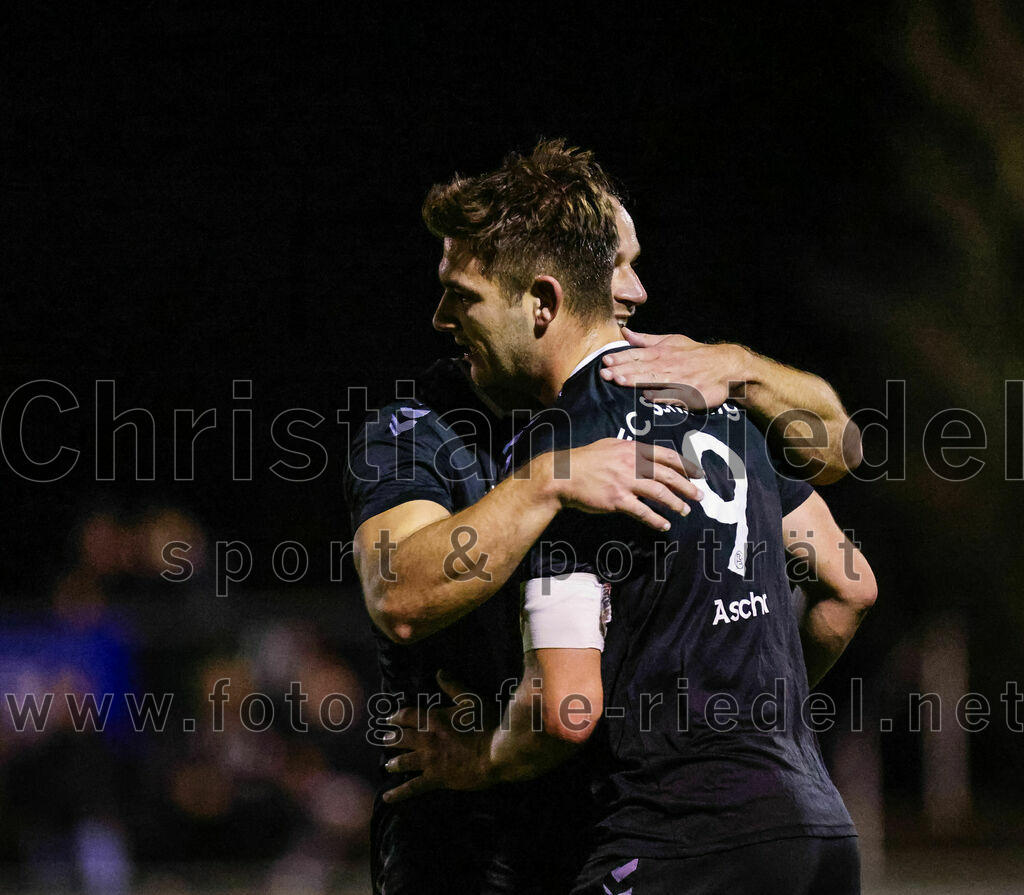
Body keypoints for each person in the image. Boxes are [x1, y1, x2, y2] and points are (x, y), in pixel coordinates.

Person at [345, 141, 863, 893]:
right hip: (470, 847)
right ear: (550, 295)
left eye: (625, 263)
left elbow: (842, 449)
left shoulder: (682, 393)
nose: (637, 291)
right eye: (620, 265)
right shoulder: (420, 432)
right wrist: (547, 482)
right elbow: (399, 594)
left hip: (637, 829)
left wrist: (744, 366)